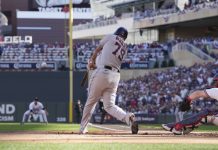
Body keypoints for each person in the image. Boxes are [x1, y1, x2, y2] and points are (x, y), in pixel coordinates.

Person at [79, 27, 138, 134]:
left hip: (103, 72)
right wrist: (94, 63)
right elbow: (108, 57)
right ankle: (127, 117)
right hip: (115, 76)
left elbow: (98, 49)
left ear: (117, 33)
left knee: (91, 101)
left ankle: (83, 127)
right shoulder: (125, 47)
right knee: (109, 105)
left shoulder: (111, 37)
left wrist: (91, 62)